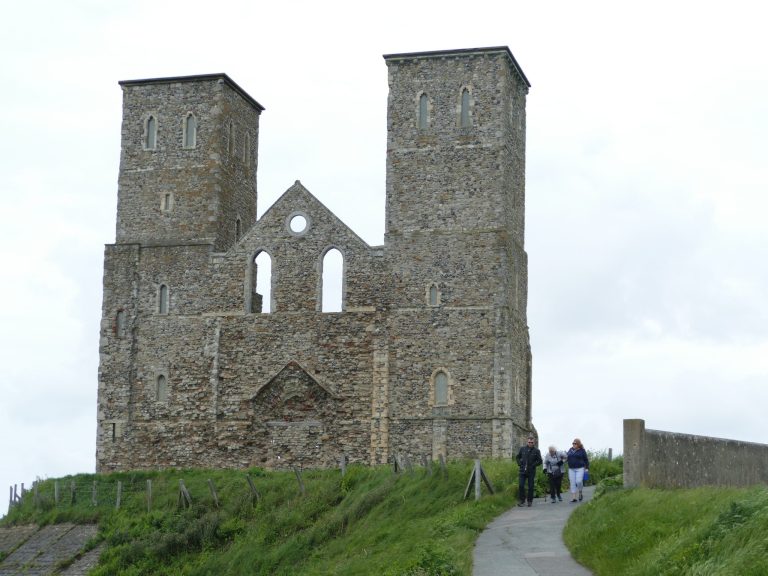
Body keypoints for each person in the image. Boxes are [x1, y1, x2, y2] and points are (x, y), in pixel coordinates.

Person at [516, 435, 543, 507]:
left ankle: (529, 501)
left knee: (531, 486)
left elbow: (540, 461)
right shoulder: (522, 449)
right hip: (522, 470)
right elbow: (518, 457)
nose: (530, 443)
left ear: (534, 442)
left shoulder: (536, 451)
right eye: (529, 442)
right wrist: (519, 463)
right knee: (521, 485)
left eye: (532, 442)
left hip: (531, 471)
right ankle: (522, 500)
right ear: (527, 442)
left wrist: (534, 465)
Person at [566, 438, 589, 502]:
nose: (573, 444)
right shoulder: (570, 450)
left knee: (578, 481)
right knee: (572, 482)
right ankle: (574, 498)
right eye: (573, 443)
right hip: (571, 469)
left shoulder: (582, 450)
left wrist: (587, 468)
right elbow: (567, 457)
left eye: (575, 443)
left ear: (578, 444)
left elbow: (586, 460)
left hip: (580, 468)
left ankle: (580, 491)